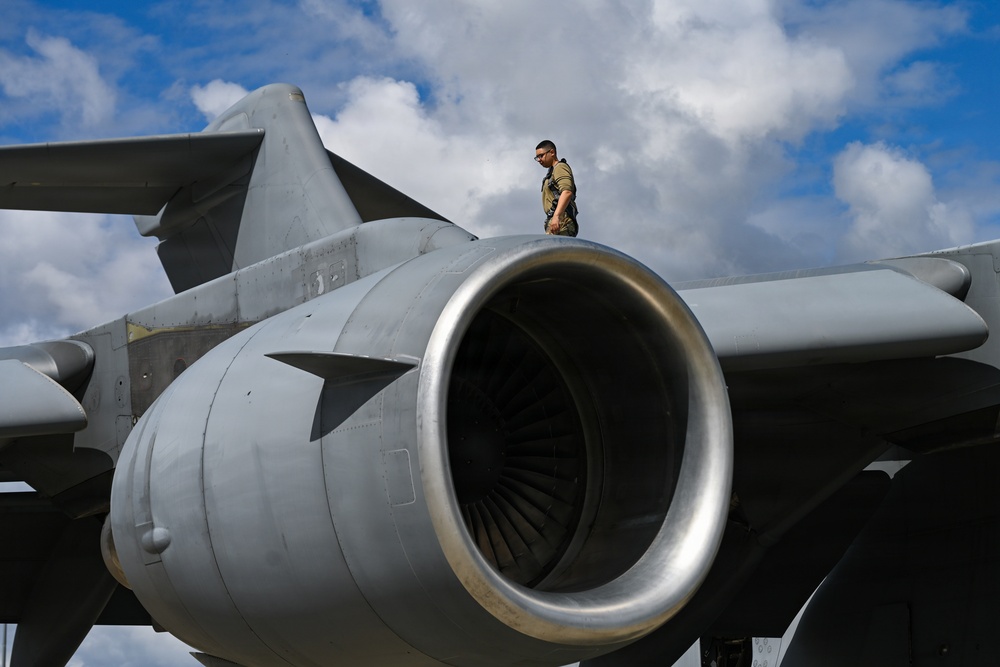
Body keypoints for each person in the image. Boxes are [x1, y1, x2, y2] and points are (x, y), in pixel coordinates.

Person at [535, 140, 578, 236]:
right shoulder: (551, 172)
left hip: (562, 220)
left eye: (541, 156)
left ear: (552, 152)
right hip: (556, 219)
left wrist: (557, 216)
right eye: (537, 157)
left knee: (561, 250)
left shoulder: (560, 167)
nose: (539, 160)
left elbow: (567, 192)